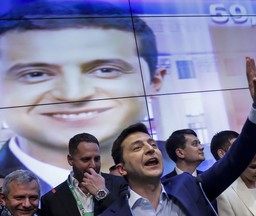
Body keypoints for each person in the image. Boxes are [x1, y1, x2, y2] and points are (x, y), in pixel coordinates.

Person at [0, 1, 165, 194]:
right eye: (36, 74)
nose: (74, 94)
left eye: (106, 70)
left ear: (155, 81)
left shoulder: (184, 166)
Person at [99, 57, 256, 215]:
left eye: (152, 145)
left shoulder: (190, 186)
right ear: (121, 169)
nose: (150, 150)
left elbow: (236, 158)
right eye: (137, 147)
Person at [40, 132, 128, 216]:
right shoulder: (51, 199)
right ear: (70, 160)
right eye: (86, 159)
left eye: (97, 159)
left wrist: (102, 193)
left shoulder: (120, 184)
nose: (93, 165)